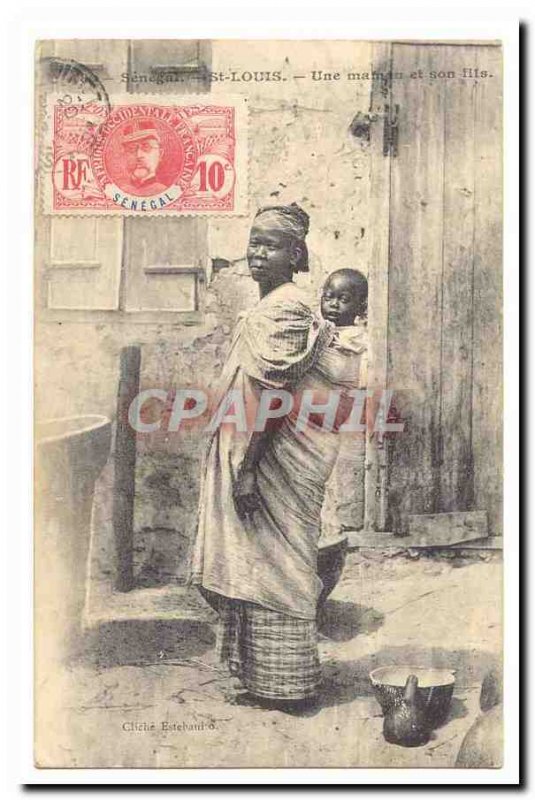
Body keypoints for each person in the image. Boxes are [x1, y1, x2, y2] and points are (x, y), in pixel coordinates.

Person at [191, 204, 337, 710]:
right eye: (253, 241)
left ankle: (288, 686)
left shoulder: (286, 308)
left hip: (269, 456)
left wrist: (249, 468)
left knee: (278, 564)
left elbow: (275, 396)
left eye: (269, 244)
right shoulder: (271, 304)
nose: (256, 251)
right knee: (256, 561)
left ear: (295, 253)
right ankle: (267, 680)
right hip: (250, 449)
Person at [315, 269, 368, 608]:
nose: (333, 304)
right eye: (328, 296)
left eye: (343, 299)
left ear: (360, 307)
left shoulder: (355, 338)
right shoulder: (322, 330)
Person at [119, 121, 168, 195]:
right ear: (125, 156)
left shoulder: (164, 191)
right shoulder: (120, 191)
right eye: (131, 149)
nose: (138, 155)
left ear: (160, 154)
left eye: (146, 147)